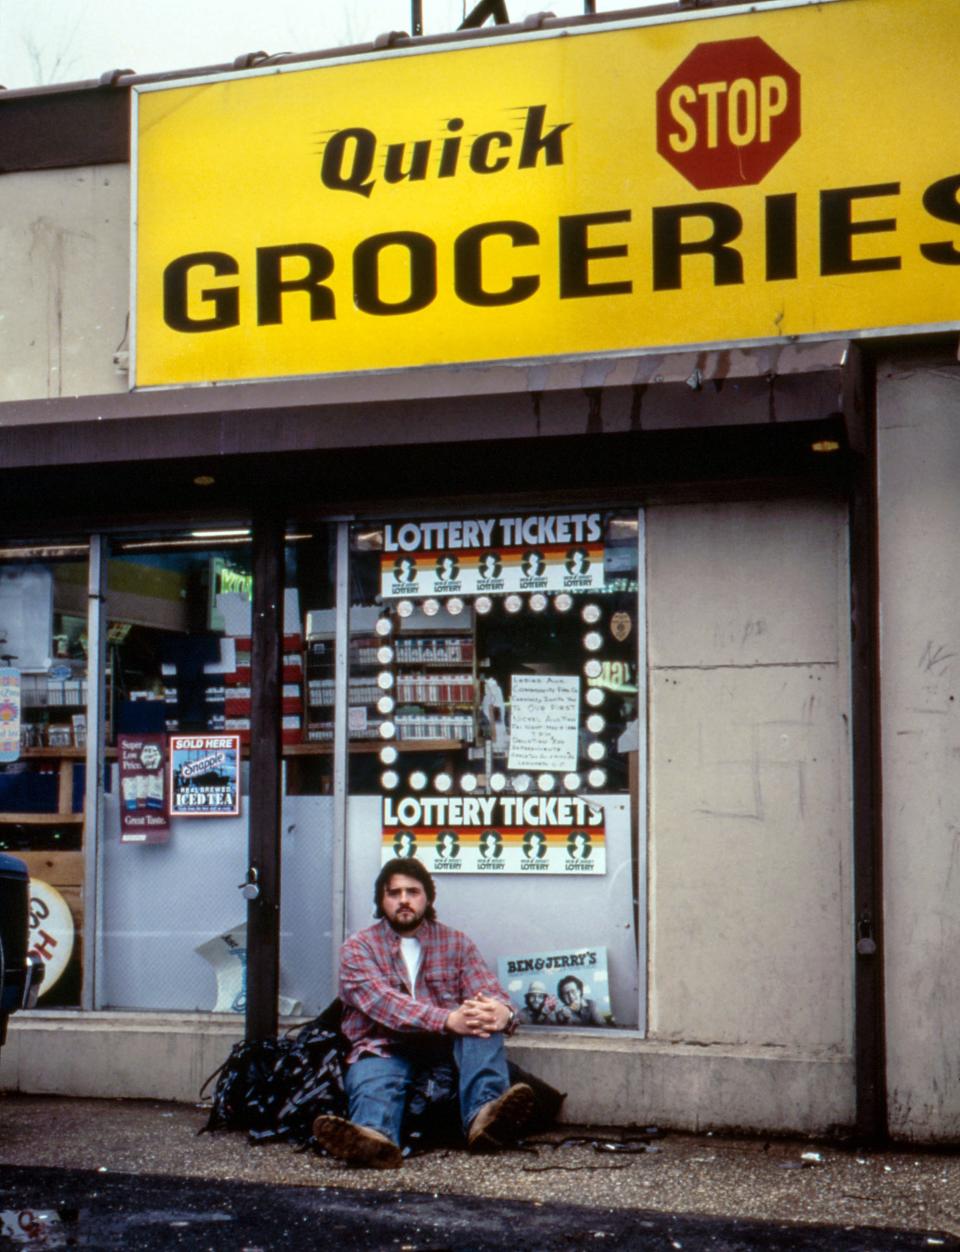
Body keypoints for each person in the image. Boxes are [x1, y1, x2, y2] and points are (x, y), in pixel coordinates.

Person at [312, 858, 534, 1168]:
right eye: (394, 893)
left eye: (412, 891)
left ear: (427, 897)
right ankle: (373, 1139)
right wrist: (446, 1019)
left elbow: (487, 991)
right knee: (373, 1074)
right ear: (381, 900)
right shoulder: (358, 948)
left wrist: (503, 1013)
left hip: (444, 1049)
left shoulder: (456, 943)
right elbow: (383, 1003)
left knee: (481, 1021)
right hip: (384, 1045)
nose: (403, 900)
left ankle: (485, 1119)